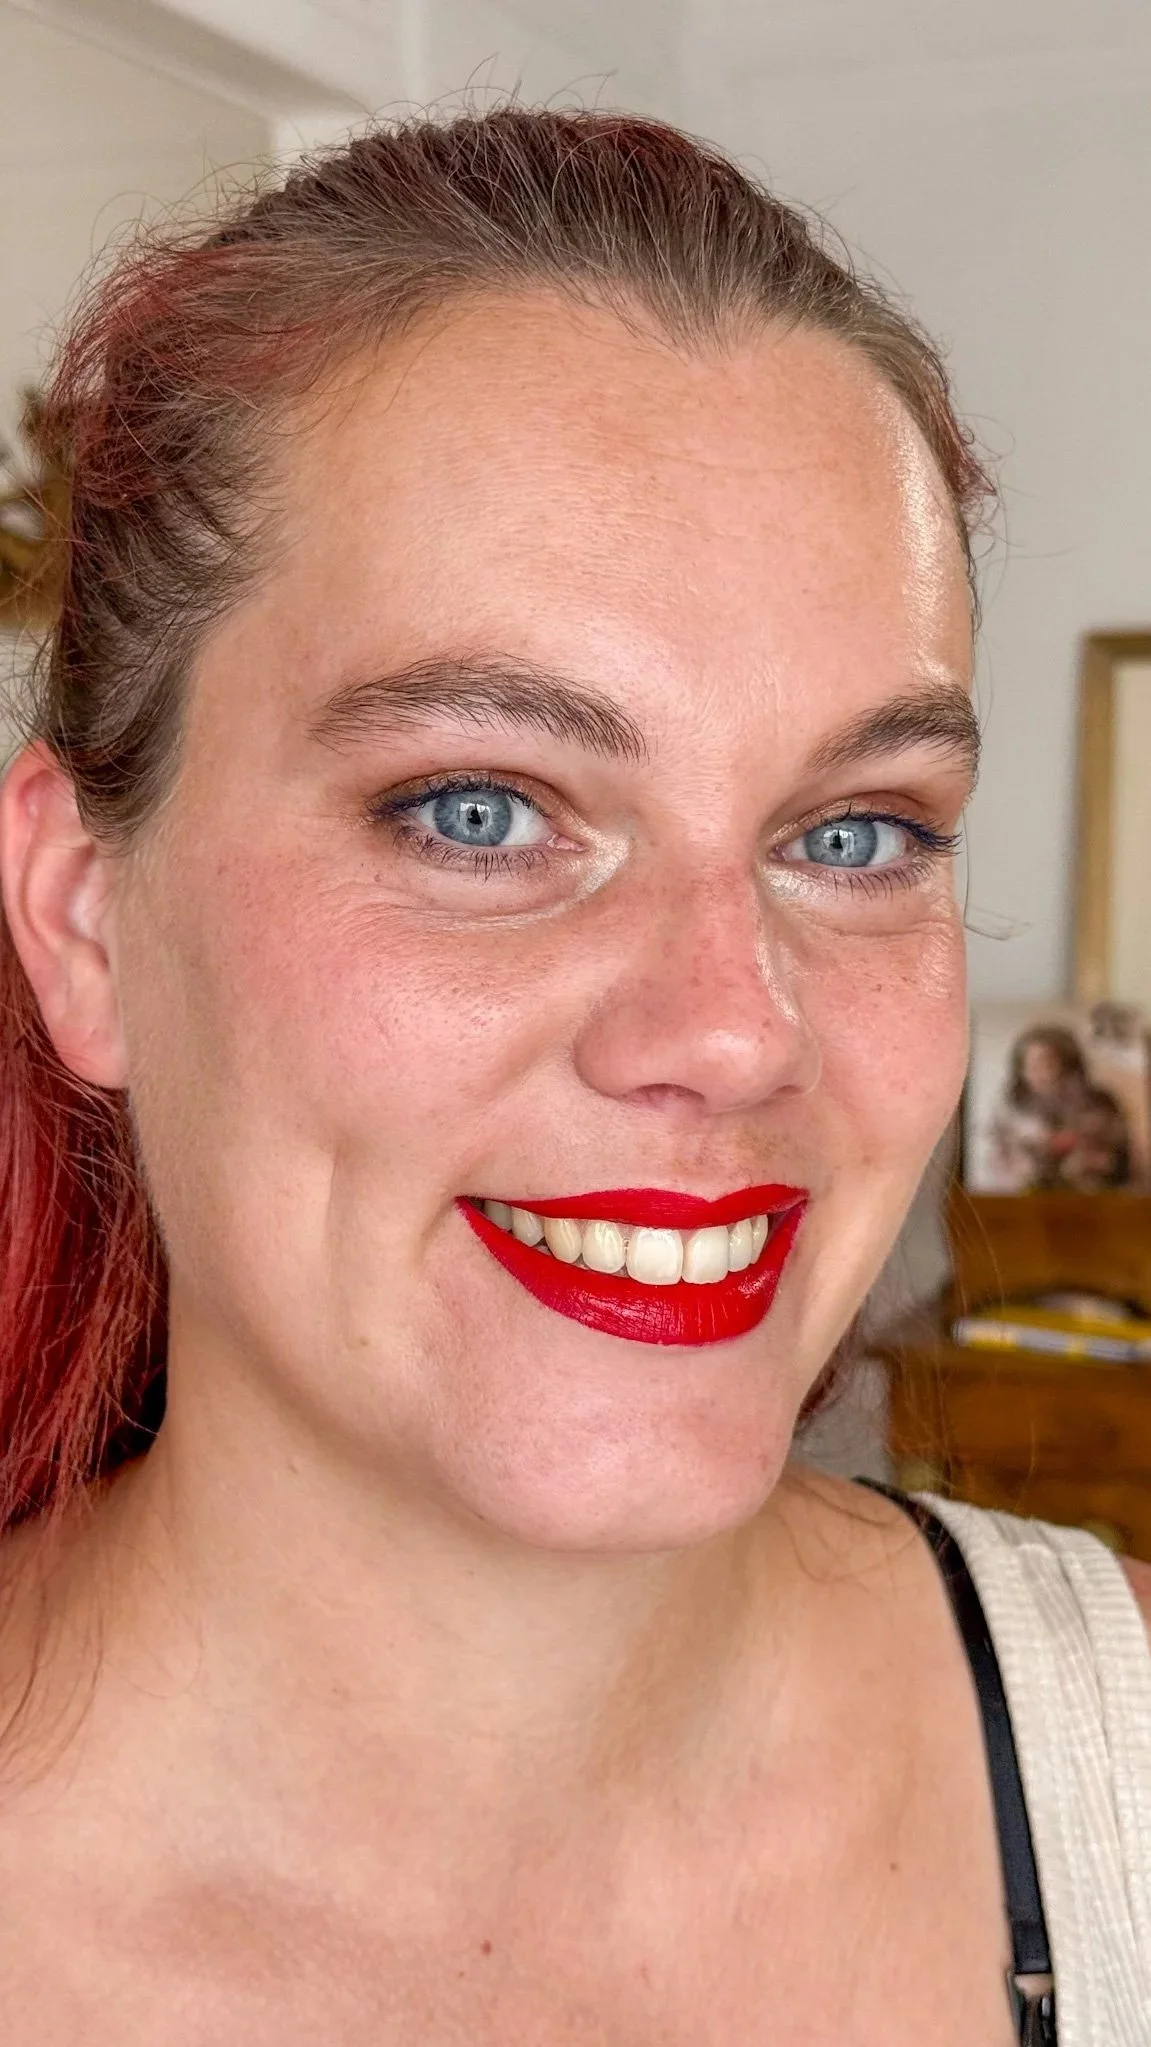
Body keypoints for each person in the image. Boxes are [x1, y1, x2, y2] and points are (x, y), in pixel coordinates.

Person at [0, 109, 1147, 2045]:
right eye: (479, 810)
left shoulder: (1114, 1778)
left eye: (851, 832)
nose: (728, 1025)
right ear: (87, 921)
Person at [989, 1024, 1133, 1192]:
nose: (1035, 1072)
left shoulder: (1100, 1105)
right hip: (1025, 1204)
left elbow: (1118, 1163)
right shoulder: (1010, 1110)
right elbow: (1000, 1168)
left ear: (1069, 1066)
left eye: (1045, 1063)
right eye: (1027, 1064)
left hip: (1091, 1200)